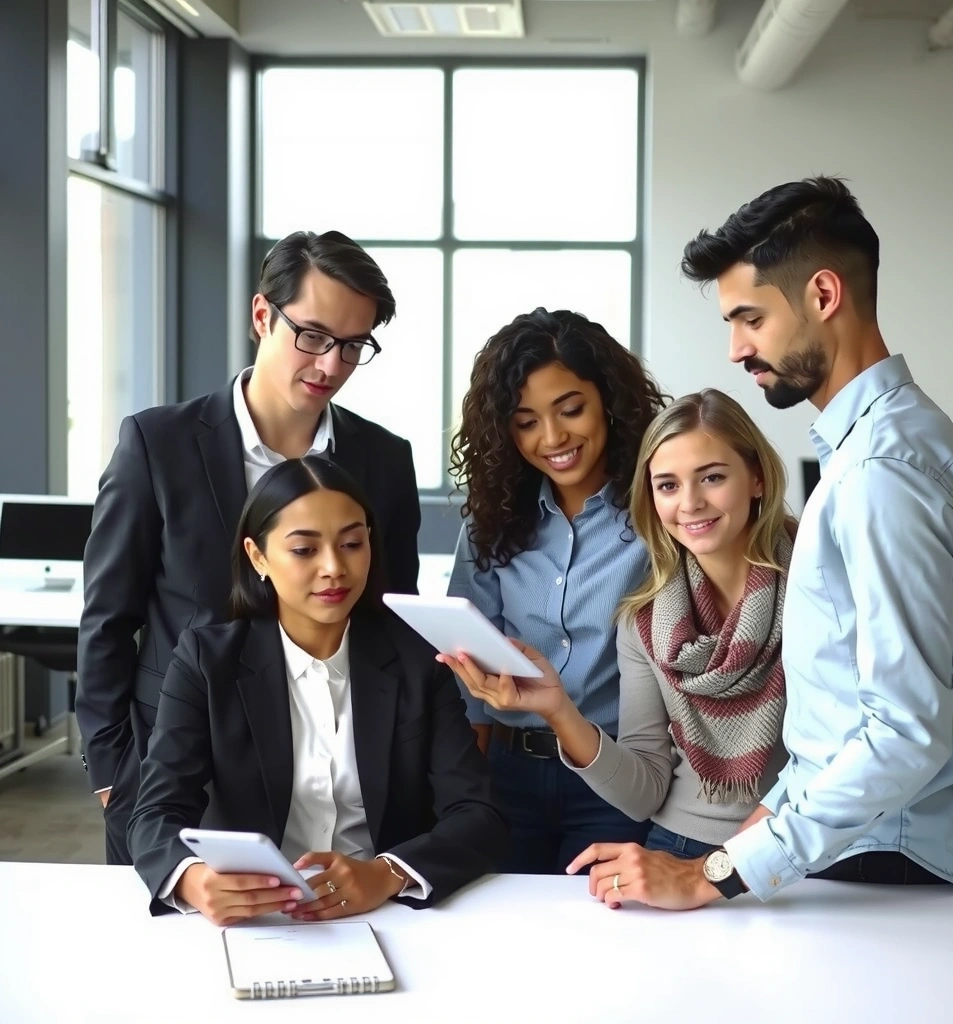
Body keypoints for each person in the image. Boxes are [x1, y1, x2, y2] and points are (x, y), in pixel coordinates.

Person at [568, 175, 953, 910]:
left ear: (824, 296)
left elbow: (902, 732)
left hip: (888, 861)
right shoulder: (878, 446)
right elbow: (837, 735)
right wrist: (732, 850)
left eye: (749, 318)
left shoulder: (880, 471)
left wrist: (715, 874)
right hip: (863, 847)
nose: (736, 350)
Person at [76, 230, 422, 867]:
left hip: (335, 774)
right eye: (313, 336)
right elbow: (106, 621)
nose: (330, 366)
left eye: (353, 346)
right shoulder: (158, 444)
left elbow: (391, 619)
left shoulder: (383, 459)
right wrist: (112, 774)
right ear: (263, 315)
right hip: (175, 775)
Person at [443, 390, 793, 907]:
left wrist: (717, 869)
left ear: (757, 478)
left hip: (782, 852)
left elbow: (832, 764)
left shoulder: (813, 588)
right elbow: (647, 789)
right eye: (667, 485)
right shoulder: (645, 617)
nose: (690, 502)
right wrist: (558, 709)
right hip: (672, 848)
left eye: (713, 477)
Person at [127, 457, 504, 922]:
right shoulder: (207, 660)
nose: (334, 568)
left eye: (352, 543)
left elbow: (476, 813)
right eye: (304, 550)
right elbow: (155, 812)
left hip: (388, 910)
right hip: (253, 914)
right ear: (257, 556)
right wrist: (193, 879)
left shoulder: (418, 660)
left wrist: (387, 873)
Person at [447, 307, 668, 873]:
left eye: (571, 410)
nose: (553, 438)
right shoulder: (492, 521)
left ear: (610, 403)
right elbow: (470, 670)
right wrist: (464, 796)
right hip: (509, 775)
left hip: (617, 775)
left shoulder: (660, 512)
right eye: (525, 422)